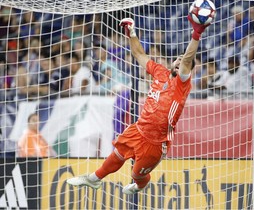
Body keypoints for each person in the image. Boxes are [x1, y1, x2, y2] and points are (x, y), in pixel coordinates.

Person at [67, 11, 211, 194]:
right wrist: (131, 33)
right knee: (117, 155)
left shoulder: (182, 85)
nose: (180, 62)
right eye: (178, 59)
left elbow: (188, 60)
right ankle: (94, 179)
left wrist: (196, 34)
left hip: (156, 142)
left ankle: (140, 185)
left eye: (184, 63)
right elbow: (139, 54)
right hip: (139, 129)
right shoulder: (160, 72)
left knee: (137, 174)